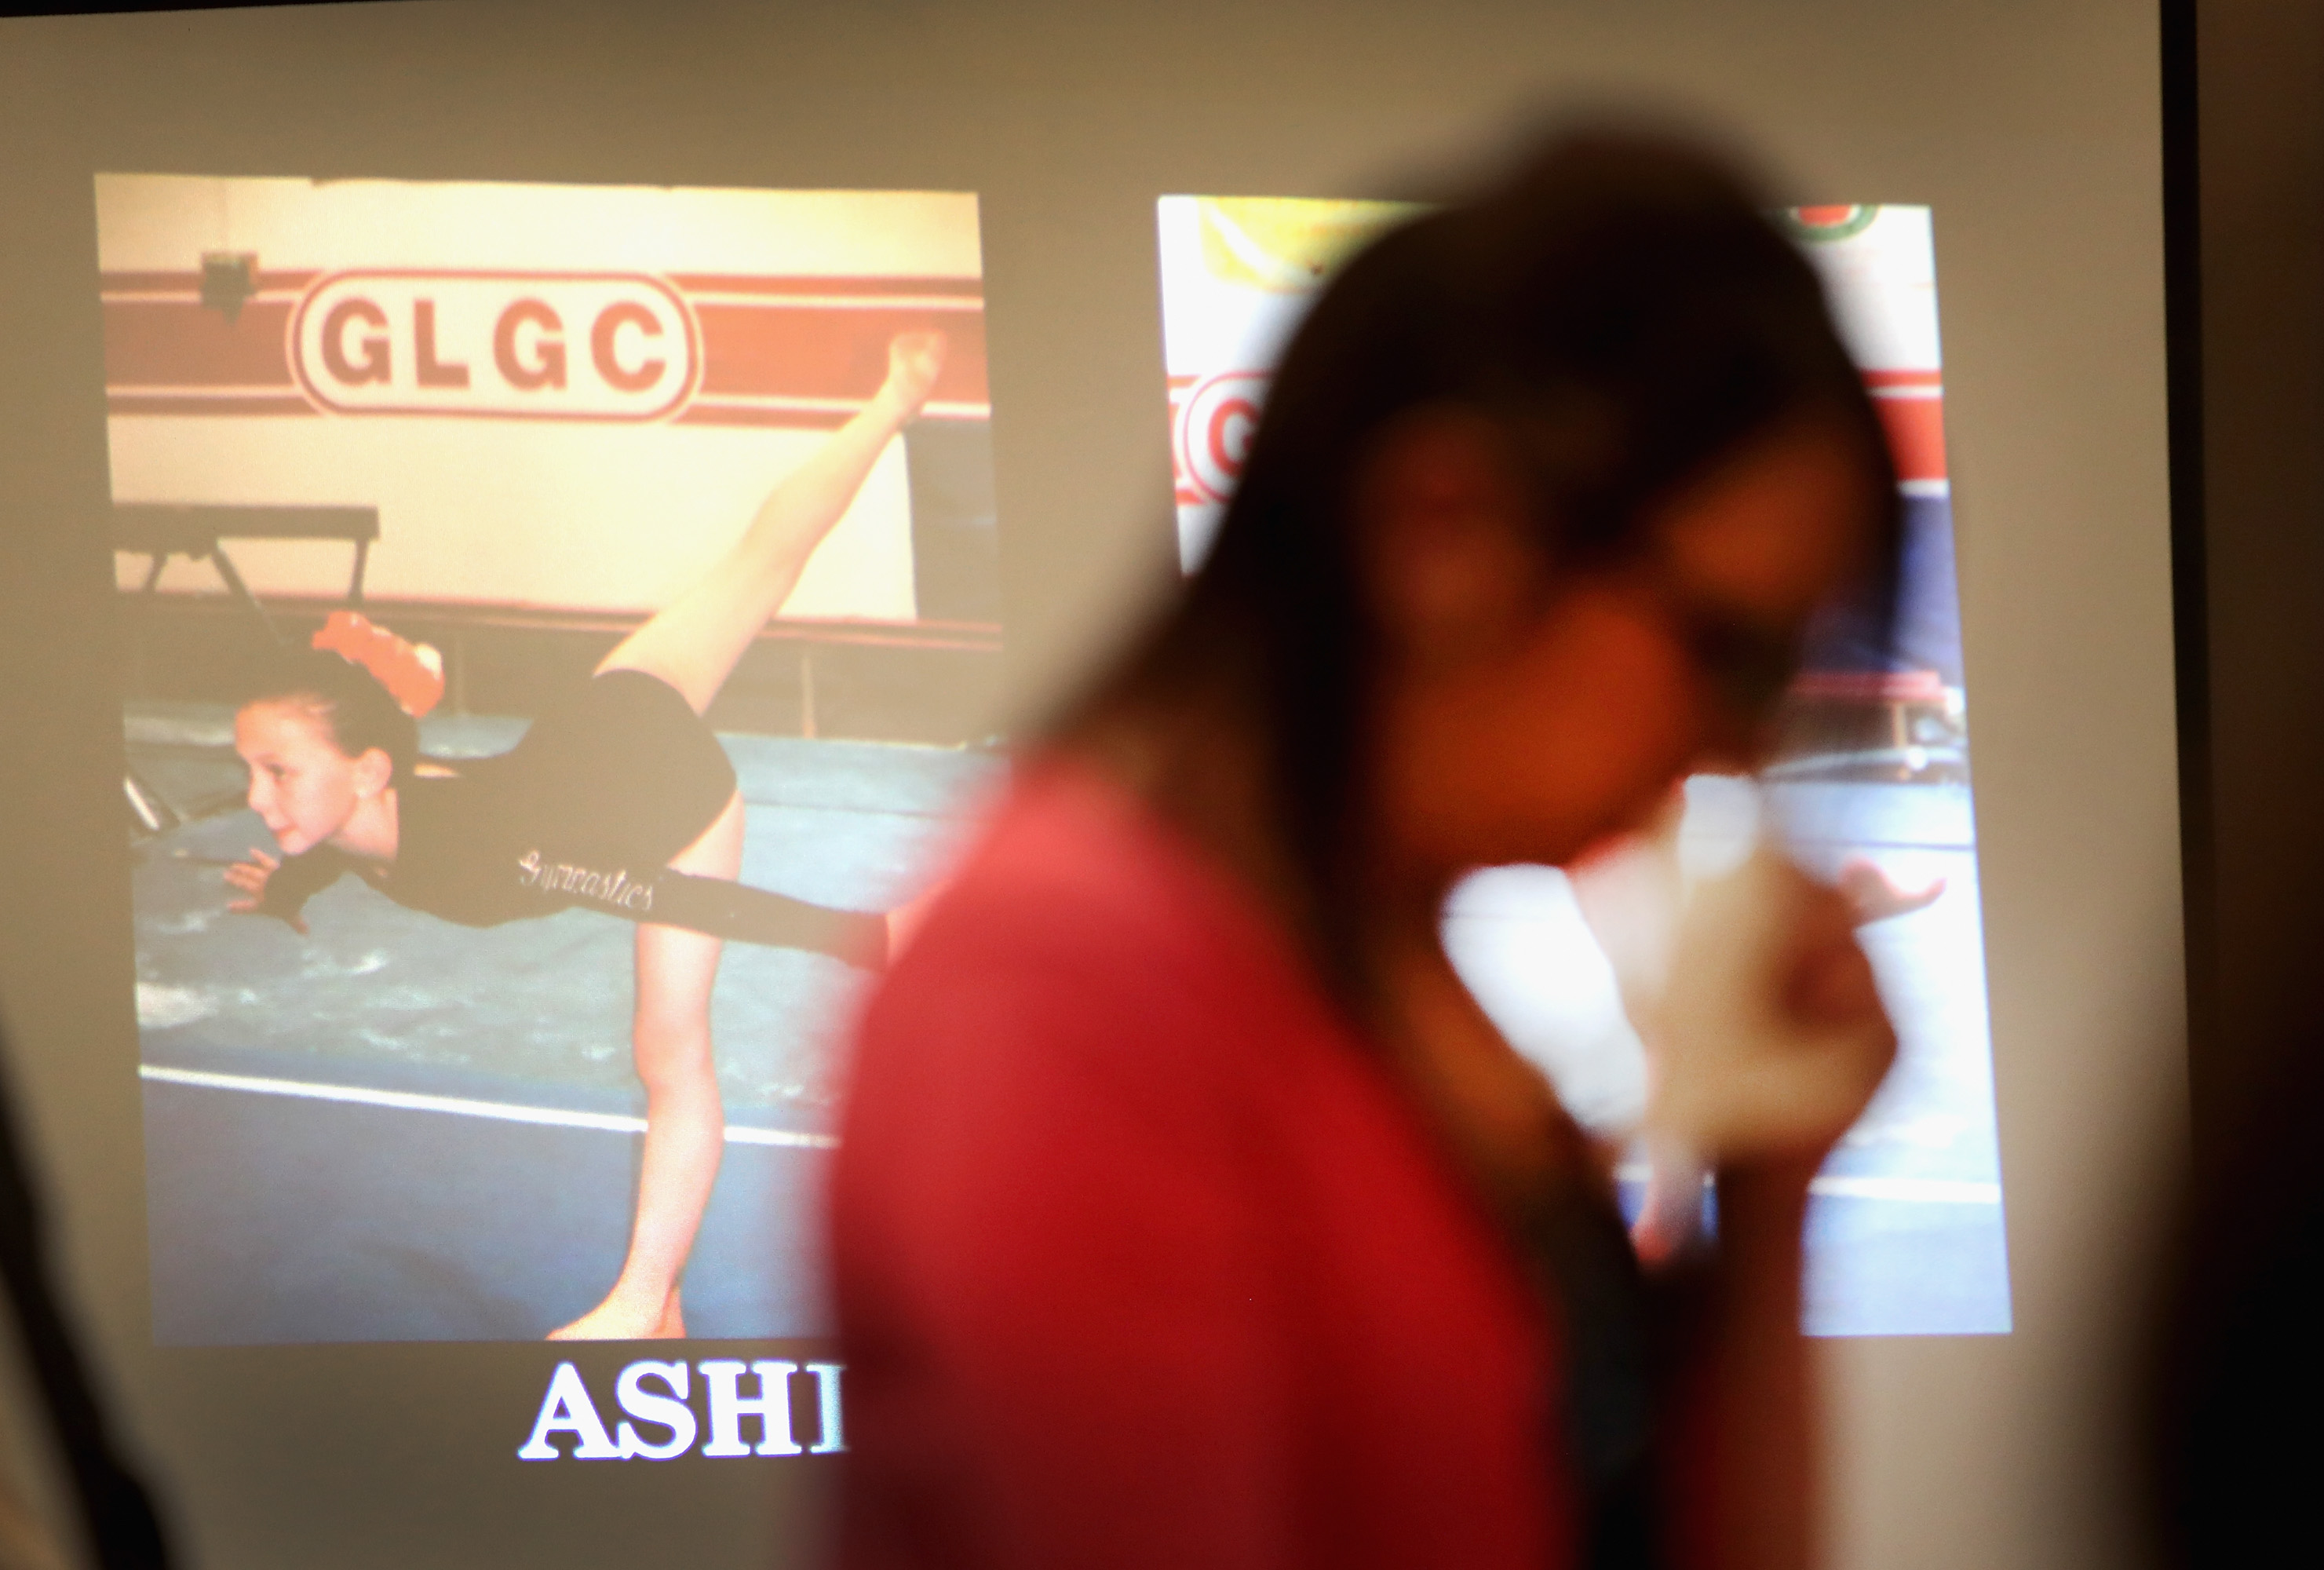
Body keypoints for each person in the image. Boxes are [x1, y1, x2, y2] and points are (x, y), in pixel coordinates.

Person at [831, 130, 1902, 1568]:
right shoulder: (1065, 990)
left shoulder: (1361, 956)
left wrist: (1766, 1196)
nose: (1734, 752)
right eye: (1725, 652)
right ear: (1440, 528)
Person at [222, 330, 948, 1341]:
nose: (258, 798)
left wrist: (861, 938)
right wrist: (285, 888)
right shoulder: (352, 805)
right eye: (253, 770)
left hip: (666, 795)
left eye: (277, 772)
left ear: (371, 771)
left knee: (669, 1051)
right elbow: (329, 845)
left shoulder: (470, 847)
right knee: (761, 560)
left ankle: (640, 1299)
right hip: (611, 711)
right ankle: (895, 399)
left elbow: (668, 896)